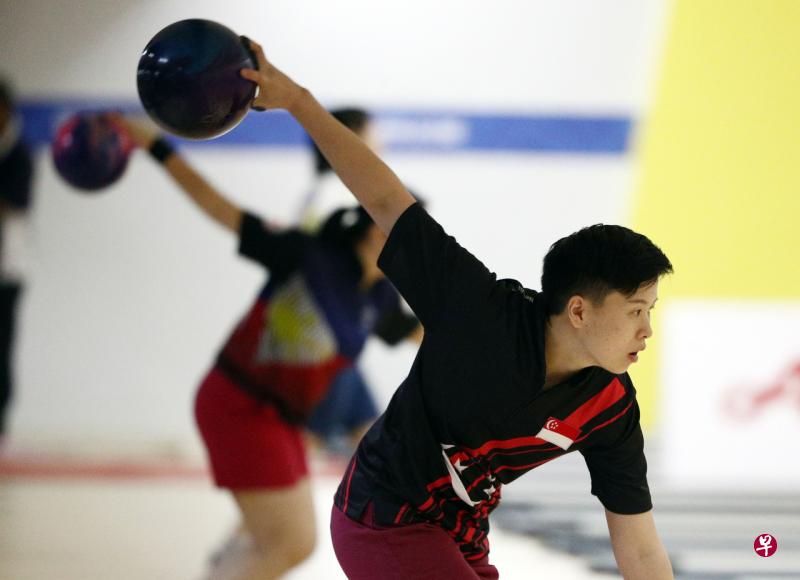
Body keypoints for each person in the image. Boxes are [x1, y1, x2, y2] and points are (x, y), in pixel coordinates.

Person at [239, 38, 675, 579]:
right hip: (383, 517)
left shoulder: (609, 406)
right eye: (636, 311)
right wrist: (299, 101)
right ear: (580, 311)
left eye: (650, 310)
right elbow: (385, 201)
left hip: (462, 537)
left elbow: (640, 548)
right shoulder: (477, 308)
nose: (647, 330)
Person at [117, 115, 422, 580]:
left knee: (283, 541)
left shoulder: (379, 297)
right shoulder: (306, 254)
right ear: (374, 229)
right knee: (291, 542)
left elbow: (433, 337)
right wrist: (156, 146)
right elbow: (219, 207)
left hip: (281, 417)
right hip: (239, 403)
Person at [0, 78, 34, 440]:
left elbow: (14, 204)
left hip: (7, 270)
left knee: (2, 349)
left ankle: (0, 426)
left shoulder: (19, 155)